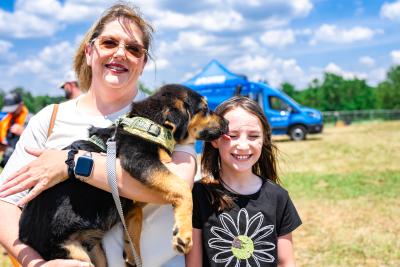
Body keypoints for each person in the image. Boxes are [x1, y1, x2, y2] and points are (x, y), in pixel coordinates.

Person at [0, 3, 196, 267]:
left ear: (144, 62)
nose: (120, 53)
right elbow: (6, 202)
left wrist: (73, 163)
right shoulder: (49, 119)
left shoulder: (169, 119)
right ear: (89, 51)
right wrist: (37, 264)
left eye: (134, 48)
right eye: (109, 43)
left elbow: (177, 186)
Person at [186, 96, 302, 267]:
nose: (243, 145)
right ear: (215, 140)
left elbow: (286, 262)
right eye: (232, 135)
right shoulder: (198, 195)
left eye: (253, 136)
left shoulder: (279, 197)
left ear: (264, 140)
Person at [0, 92, 29, 167]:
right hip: (8, 160)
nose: (11, 112)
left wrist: (24, 132)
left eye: (13, 109)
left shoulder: (32, 119)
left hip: (24, 161)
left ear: (21, 105)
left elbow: (40, 142)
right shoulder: (6, 120)